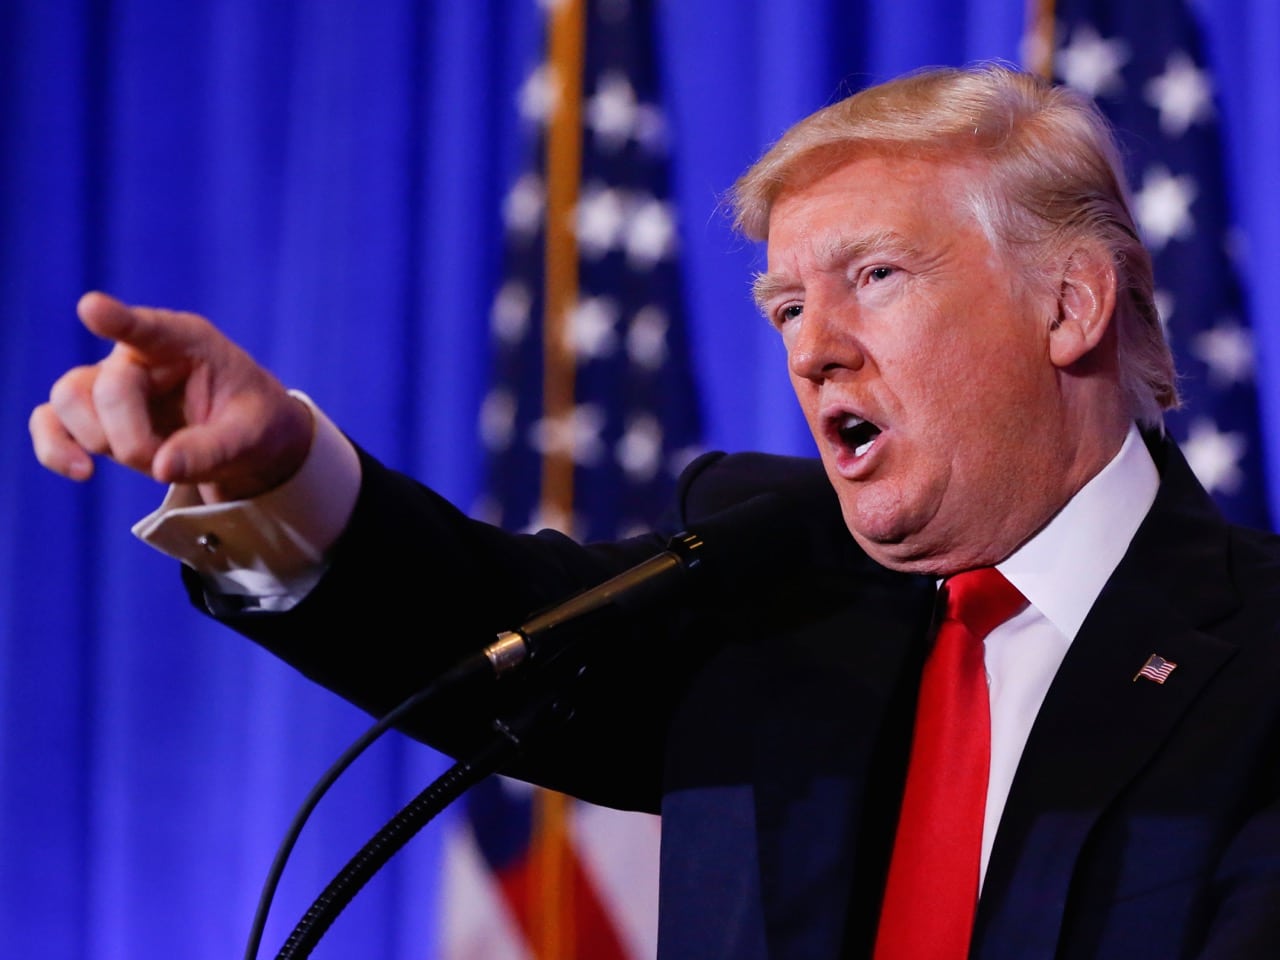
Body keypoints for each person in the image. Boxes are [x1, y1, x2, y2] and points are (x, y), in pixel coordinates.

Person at [29, 64, 1280, 958]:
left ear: (1070, 307)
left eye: (875, 279)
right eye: (786, 306)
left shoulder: (1260, 653)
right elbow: (477, 627)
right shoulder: (770, 587)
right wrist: (271, 472)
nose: (812, 352)